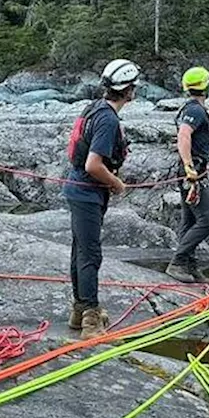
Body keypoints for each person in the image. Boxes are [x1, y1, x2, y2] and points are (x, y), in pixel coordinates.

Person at [64, 59, 140, 339]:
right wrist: (117, 183)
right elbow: (93, 165)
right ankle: (91, 321)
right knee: (90, 255)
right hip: (87, 192)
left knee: (80, 251)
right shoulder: (108, 119)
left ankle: (79, 310)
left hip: (78, 190)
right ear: (128, 90)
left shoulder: (94, 107)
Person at [165, 66, 209, 283]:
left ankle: (190, 265)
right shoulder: (196, 111)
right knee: (206, 222)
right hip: (194, 174)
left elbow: (193, 136)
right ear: (207, 86)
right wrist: (189, 166)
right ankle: (178, 262)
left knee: (189, 221)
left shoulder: (192, 108)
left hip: (195, 168)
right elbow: (184, 135)